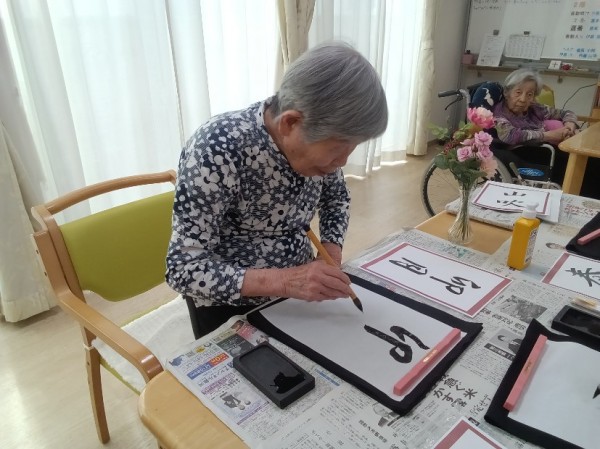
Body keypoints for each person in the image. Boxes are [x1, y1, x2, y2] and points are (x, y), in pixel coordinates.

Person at [166, 42, 388, 339]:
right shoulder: (216, 148)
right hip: (230, 305)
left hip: (298, 295)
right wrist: (286, 281)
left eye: (352, 149)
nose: (342, 162)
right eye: (337, 150)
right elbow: (183, 269)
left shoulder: (318, 147)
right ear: (291, 123)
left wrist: (331, 252)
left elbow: (336, 198)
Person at [492, 68, 578, 185]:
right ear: (507, 92)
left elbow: (565, 113)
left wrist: (569, 125)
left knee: (585, 159)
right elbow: (510, 135)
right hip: (525, 156)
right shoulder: (499, 113)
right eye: (518, 92)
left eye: (529, 94)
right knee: (580, 167)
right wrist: (548, 135)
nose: (523, 99)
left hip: (546, 149)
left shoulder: (534, 108)